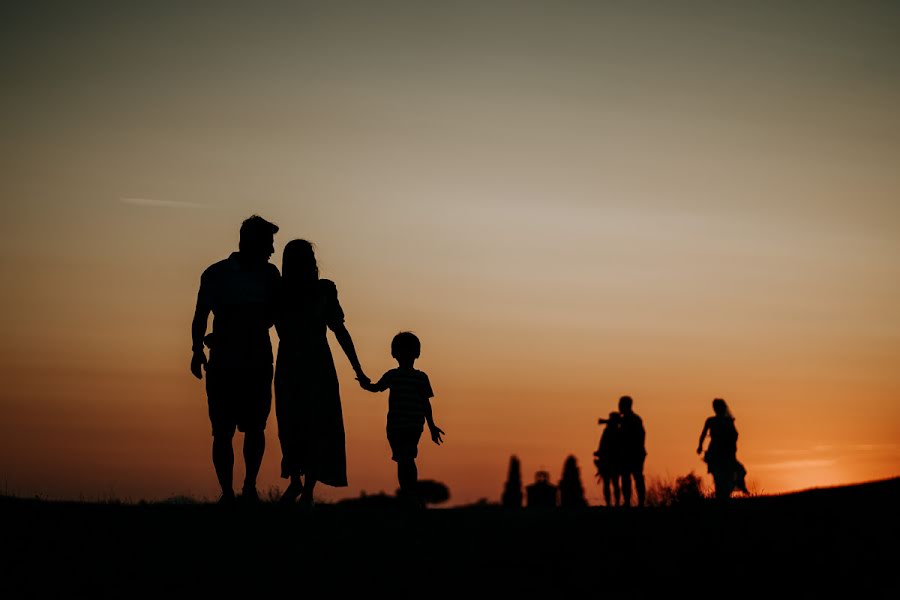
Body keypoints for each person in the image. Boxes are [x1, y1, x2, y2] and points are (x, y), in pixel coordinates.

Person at [190, 215, 281, 504]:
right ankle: (228, 493)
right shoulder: (216, 274)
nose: (272, 250)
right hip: (225, 362)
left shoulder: (270, 275)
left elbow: (277, 315)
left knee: (256, 426)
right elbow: (201, 315)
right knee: (222, 430)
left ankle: (249, 487)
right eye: (268, 243)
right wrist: (196, 350)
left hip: (256, 359)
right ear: (251, 241)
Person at [275, 239, 368, 506]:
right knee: (291, 423)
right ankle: (296, 482)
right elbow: (260, 322)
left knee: (318, 424)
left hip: (316, 364)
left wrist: (357, 368)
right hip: (293, 364)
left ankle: (308, 489)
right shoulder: (279, 290)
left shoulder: (324, 290)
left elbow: (339, 329)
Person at [360, 332, 444, 505]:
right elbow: (376, 388)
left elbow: (426, 404)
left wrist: (432, 426)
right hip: (396, 425)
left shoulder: (421, 378)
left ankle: (409, 493)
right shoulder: (393, 376)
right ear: (395, 354)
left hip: (411, 425)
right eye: (402, 351)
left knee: (406, 457)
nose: (405, 355)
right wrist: (364, 383)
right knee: (403, 458)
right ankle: (409, 493)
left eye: (408, 350)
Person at [697, 398, 749, 500]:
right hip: (717, 452)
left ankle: (733, 489)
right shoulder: (713, 421)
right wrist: (700, 446)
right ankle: (725, 495)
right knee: (720, 477)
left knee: (737, 472)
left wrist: (700, 446)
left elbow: (734, 435)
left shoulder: (727, 421)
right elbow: (703, 434)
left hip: (725, 452)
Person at [618, 395, 647, 507]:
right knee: (627, 477)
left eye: (621, 404)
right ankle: (628, 502)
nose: (619, 407)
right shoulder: (627, 419)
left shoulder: (633, 419)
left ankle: (640, 502)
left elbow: (641, 435)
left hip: (634, 453)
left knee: (636, 477)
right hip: (629, 453)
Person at [594, 412, 622, 507]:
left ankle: (611, 503)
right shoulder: (616, 431)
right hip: (610, 461)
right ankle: (612, 503)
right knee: (612, 483)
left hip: (611, 461)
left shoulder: (613, 432)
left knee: (611, 483)